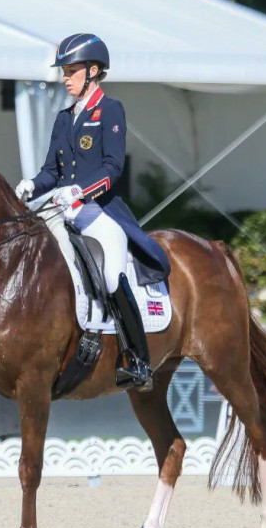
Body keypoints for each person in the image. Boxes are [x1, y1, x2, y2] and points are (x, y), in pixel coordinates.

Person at [16, 33, 169, 390]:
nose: (65, 78)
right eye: (64, 72)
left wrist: (79, 191)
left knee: (114, 275)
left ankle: (139, 361)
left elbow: (112, 167)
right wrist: (32, 185)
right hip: (62, 210)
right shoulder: (63, 118)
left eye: (71, 71)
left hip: (101, 212)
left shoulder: (110, 111)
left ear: (94, 70)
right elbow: (51, 172)